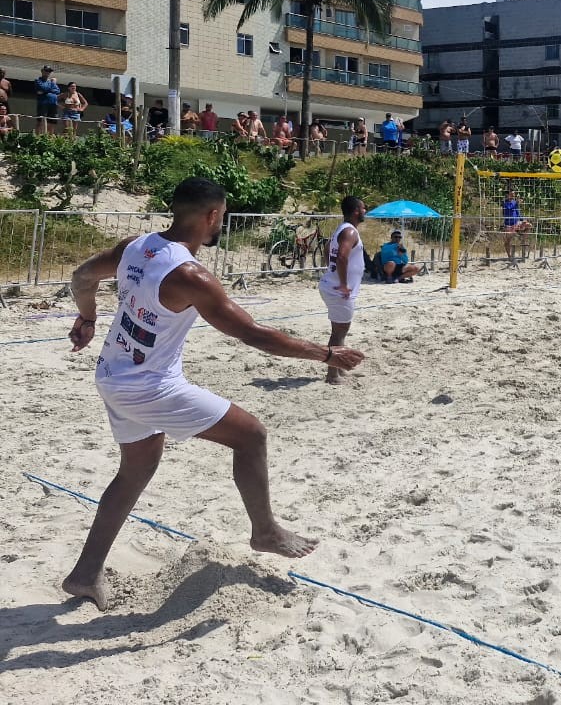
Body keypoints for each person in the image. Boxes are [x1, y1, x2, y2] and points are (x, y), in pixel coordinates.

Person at [62, 177, 363, 611]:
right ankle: (265, 532)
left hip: (112, 374)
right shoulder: (190, 274)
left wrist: (86, 318)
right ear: (213, 216)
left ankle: (84, 575)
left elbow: (81, 276)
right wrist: (326, 354)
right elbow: (252, 334)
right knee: (250, 435)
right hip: (148, 386)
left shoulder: (136, 245)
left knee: (134, 473)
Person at [318, 196, 366, 385]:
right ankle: (332, 374)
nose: (365, 211)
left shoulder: (342, 229)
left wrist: (329, 270)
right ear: (356, 211)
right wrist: (344, 283)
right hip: (338, 290)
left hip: (332, 286)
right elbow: (342, 257)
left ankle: (338, 367)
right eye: (363, 208)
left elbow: (328, 248)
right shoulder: (350, 232)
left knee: (340, 330)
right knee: (338, 333)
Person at [501, 187, 533, 259]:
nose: (513, 195)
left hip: (517, 223)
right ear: (507, 195)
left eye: (514, 194)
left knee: (529, 225)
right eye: (511, 194)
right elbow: (509, 209)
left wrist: (523, 219)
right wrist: (517, 203)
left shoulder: (514, 202)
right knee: (507, 241)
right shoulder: (504, 202)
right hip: (509, 225)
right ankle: (509, 256)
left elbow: (517, 212)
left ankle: (522, 237)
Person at [35, 65, 59, 134]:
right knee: (41, 121)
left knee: (52, 122)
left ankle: (49, 138)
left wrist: (45, 91)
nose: (48, 73)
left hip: (53, 104)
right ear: (42, 71)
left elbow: (57, 91)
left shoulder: (50, 82)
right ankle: (38, 137)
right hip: (43, 104)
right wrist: (53, 84)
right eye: (47, 71)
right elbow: (43, 88)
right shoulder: (38, 80)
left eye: (49, 71)